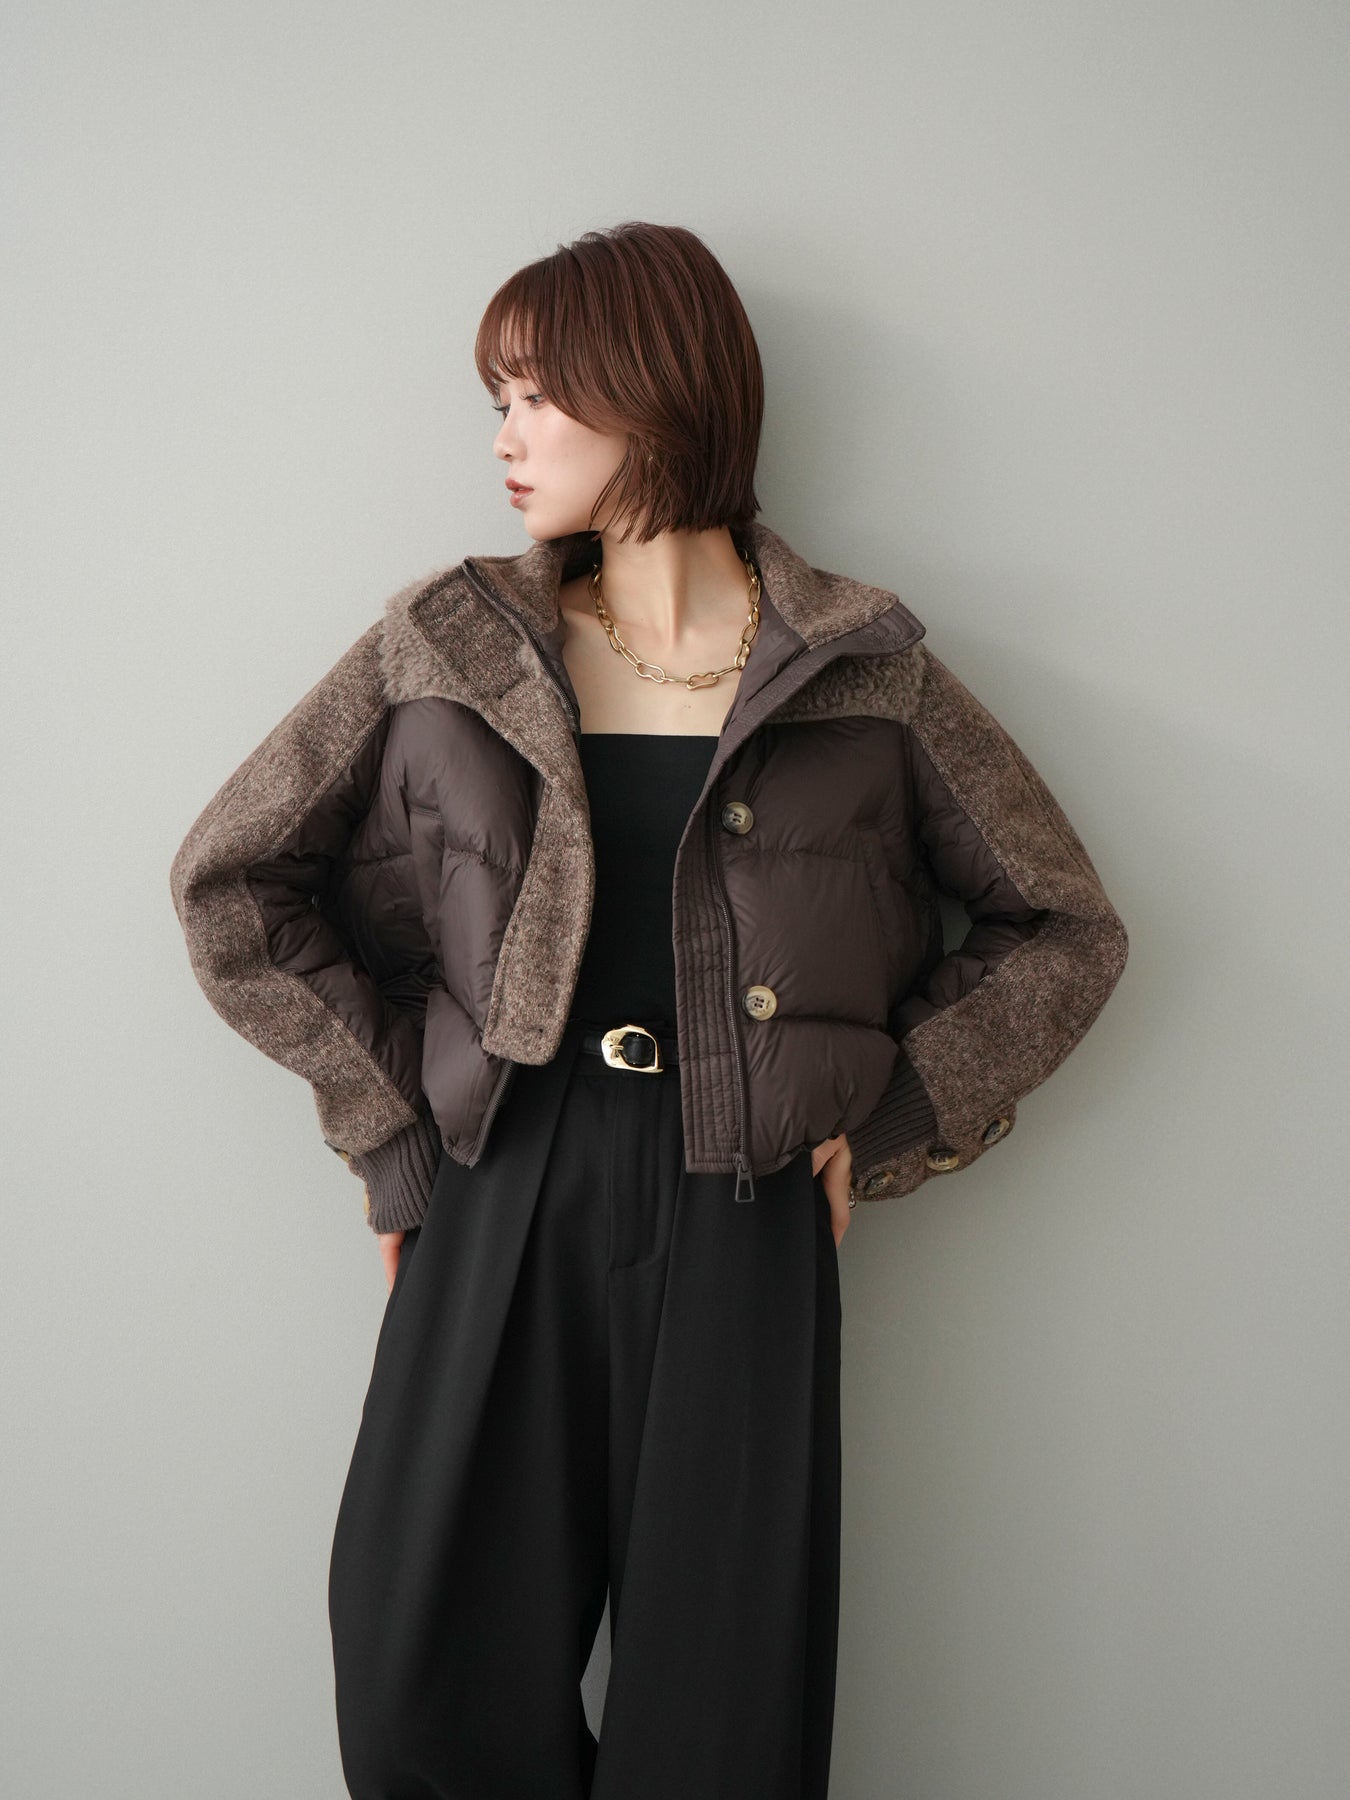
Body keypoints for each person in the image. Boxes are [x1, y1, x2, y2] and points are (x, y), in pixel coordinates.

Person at [169, 220, 1129, 1799]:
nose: (504, 438)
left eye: (536, 396)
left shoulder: (859, 670)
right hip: (497, 1184)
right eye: (497, 401)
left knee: (720, 1723)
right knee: (419, 1681)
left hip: (742, 1206)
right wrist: (390, 1130)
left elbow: (1063, 928)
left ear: (654, 392)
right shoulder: (448, 643)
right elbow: (232, 882)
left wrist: (892, 1117)